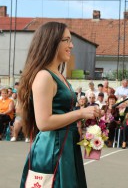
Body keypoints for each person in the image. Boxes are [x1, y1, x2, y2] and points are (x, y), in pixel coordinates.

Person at [18, 22, 101, 188]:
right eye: (67, 40)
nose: (71, 45)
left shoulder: (58, 75)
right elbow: (44, 122)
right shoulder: (44, 76)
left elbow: (63, 114)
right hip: (52, 149)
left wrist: (88, 122)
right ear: (52, 42)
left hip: (65, 146)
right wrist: (80, 113)